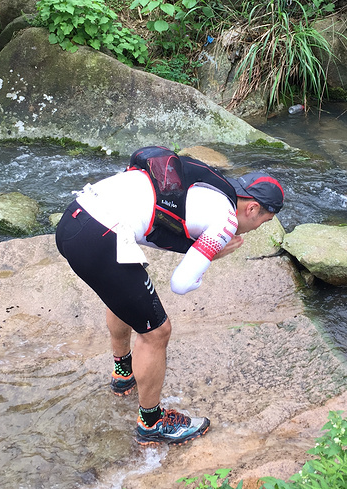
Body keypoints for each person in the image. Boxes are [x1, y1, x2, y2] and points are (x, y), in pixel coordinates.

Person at [55, 148, 284, 446]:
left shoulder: (208, 185)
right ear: (252, 208)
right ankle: (152, 423)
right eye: (262, 222)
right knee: (157, 332)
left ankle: (124, 373)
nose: (255, 229)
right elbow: (181, 282)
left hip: (74, 219)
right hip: (101, 237)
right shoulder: (226, 221)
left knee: (123, 293)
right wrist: (210, 255)